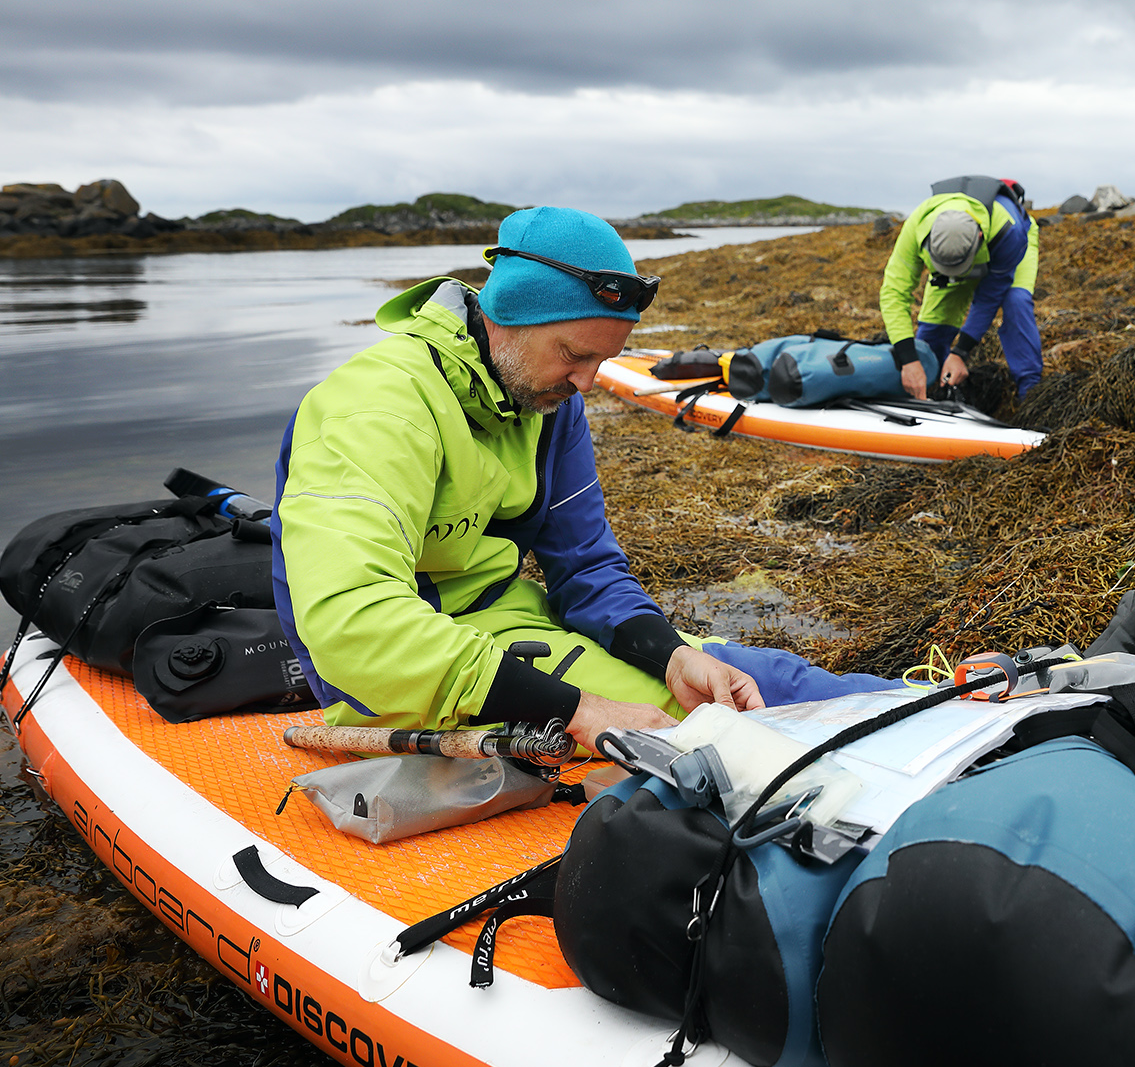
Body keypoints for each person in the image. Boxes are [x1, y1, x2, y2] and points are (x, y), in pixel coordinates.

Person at [270, 207, 896, 754]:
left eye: (604, 360)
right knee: (736, 730)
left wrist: (670, 654)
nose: (588, 384)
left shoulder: (546, 400)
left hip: (505, 629)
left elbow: (587, 568)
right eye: (575, 355)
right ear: (508, 314)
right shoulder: (376, 407)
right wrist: (579, 712)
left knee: (755, 677)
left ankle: (963, 709)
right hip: (397, 672)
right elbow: (351, 625)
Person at [879, 175, 1042, 401]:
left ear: (980, 236)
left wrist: (960, 353)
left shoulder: (1008, 232)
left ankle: (1030, 391)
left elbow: (988, 297)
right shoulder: (917, 227)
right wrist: (909, 359)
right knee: (932, 332)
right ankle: (930, 393)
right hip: (957, 251)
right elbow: (894, 292)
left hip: (1013, 244)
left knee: (1016, 301)